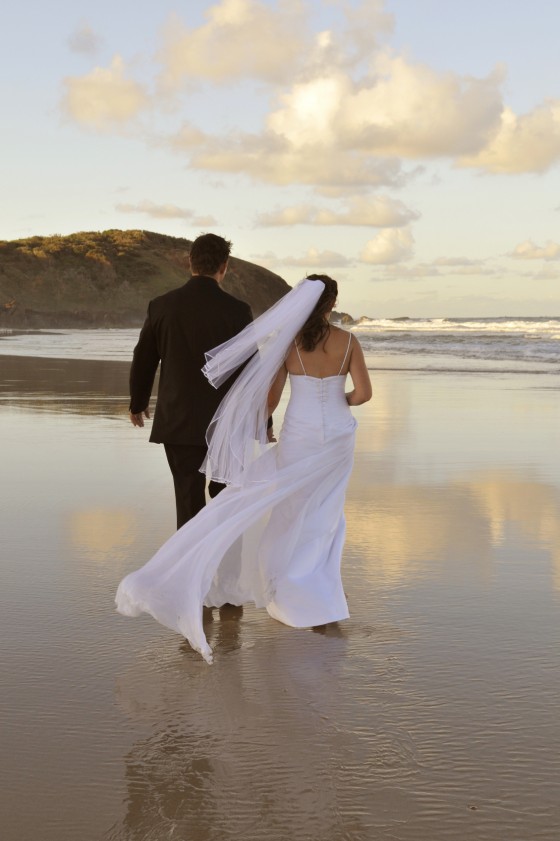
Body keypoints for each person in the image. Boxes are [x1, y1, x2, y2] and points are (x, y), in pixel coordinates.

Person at [116, 274, 372, 663]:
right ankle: (319, 593)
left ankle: (281, 586)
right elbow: (364, 394)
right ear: (333, 304)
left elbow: (269, 399)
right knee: (326, 513)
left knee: (290, 510)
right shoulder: (350, 342)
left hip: (299, 435)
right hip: (337, 437)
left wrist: (256, 427)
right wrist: (341, 399)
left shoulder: (289, 344)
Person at [128, 233, 253, 529]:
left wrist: (138, 402)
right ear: (224, 266)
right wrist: (266, 419)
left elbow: (144, 357)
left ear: (190, 263)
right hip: (227, 421)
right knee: (225, 496)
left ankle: (188, 566)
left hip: (179, 419)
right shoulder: (238, 311)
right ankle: (220, 560)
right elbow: (251, 372)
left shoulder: (162, 306)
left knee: (188, 498)